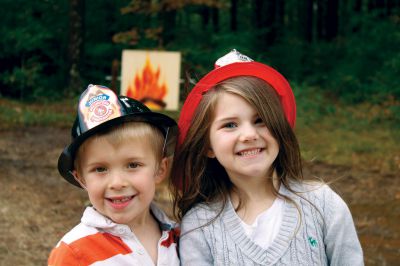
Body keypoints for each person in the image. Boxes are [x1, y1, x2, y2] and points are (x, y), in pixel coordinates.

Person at [170, 50, 364, 265]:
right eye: (230, 125)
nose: (249, 135)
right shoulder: (199, 225)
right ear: (208, 146)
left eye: (260, 120)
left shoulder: (324, 205)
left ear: (279, 129)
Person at [48, 84, 180, 266]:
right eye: (100, 169)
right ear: (81, 178)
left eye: (133, 165)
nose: (117, 183)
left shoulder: (180, 238)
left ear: (160, 170)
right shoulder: (73, 253)